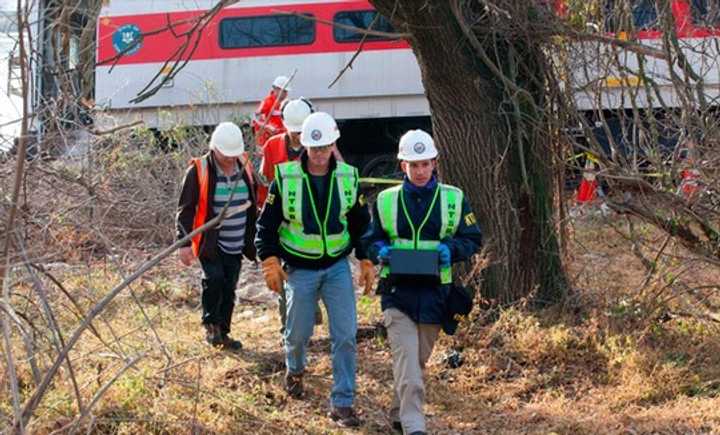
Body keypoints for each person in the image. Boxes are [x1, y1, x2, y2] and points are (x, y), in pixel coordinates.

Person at [255, 112, 375, 427]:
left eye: (325, 147)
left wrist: (365, 258)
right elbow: (266, 226)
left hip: (336, 267)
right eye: (314, 148)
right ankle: (295, 370)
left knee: (346, 335)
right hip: (299, 270)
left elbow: (361, 224)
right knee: (296, 334)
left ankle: (343, 403)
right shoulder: (285, 178)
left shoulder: (349, 177)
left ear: (334, 143)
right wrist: (269, 260)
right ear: (304, 146)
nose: (320, 154)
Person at [361, 129, 481, 435]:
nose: (420, 170)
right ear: (403, 166)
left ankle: (397, 418)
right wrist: (379, 252)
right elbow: (369, 241)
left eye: (425, 164)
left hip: (435, 295)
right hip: (396, 294)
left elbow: (472, 239)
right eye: (413, 165)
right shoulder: (386, 201)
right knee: (410, 371)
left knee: (414, 365)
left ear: (434, 163)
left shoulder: (454, 198)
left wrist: (450, 250)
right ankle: (415, 427)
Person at [176, 122, 257, 350]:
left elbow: (254, 201)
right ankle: (211, 325)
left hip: (237, 241)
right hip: (210, 242)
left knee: (230, 286)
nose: (231, 159)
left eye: (234, 154)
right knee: (214, 280)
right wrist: (183, 244)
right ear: (214, 149)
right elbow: (186, 209)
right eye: (226, 155)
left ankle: (224, 332)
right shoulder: (199, 170)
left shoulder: (244, 166)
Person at [252, 75, 290, 147]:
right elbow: (255, 118)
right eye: (284, 91)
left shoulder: (286, 103)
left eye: (286, 91)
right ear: (276, 89)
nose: (285, 94)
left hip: (282, 139)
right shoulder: (267, 102)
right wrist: (267, 126)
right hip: (268, 140)